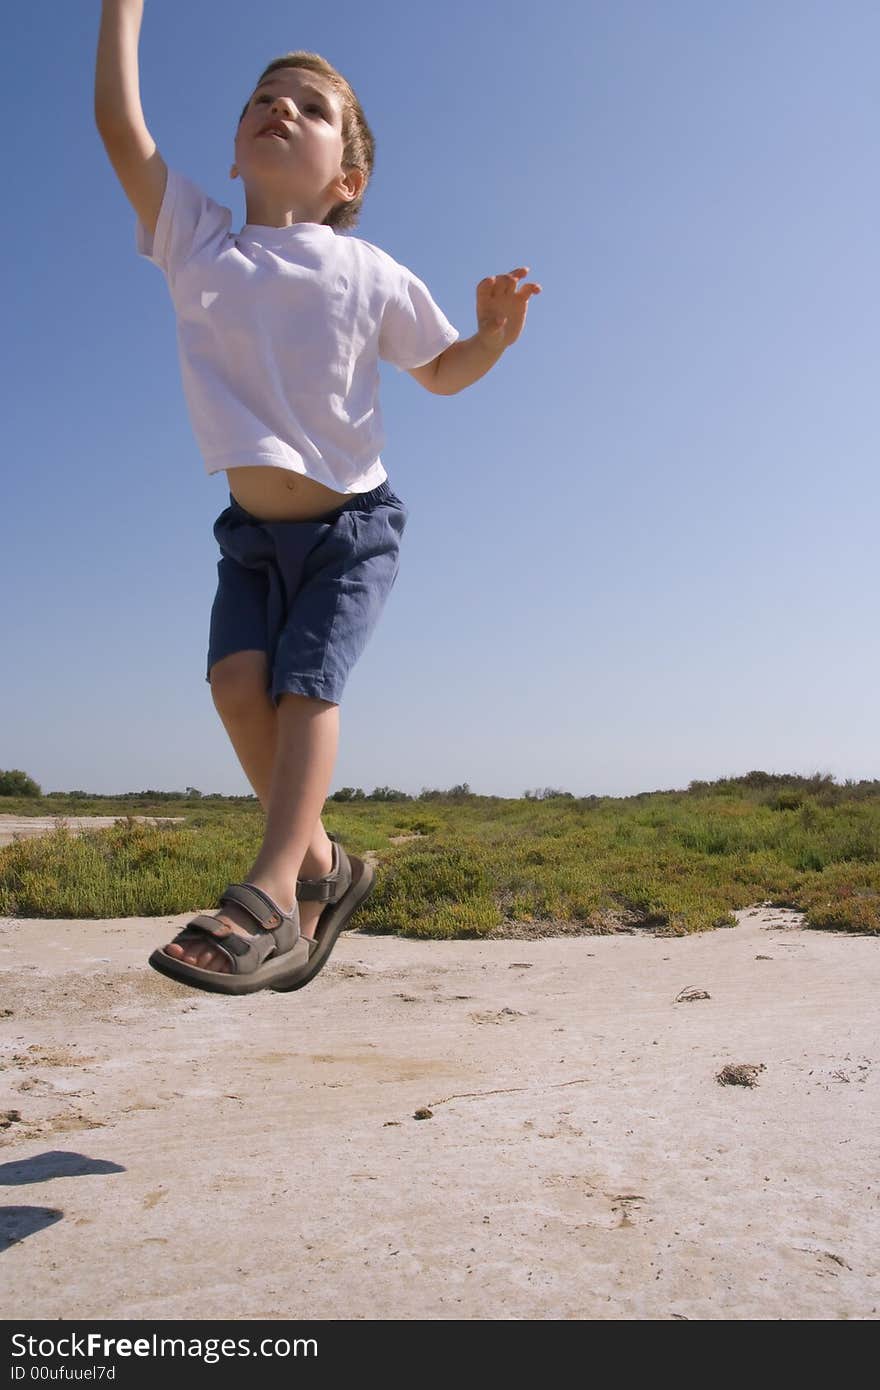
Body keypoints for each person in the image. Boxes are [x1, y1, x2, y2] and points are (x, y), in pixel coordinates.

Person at [94, 0, 542, 995]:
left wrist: (493, 337)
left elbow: (441, 371)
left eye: (309, 105)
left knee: (304, 688)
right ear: (236, 147)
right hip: (249, 534)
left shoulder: (367, 267)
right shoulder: (197, 238)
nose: (278, 109)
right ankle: (329, 870)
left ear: (349, 179)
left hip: (350, 525)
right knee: (234, 690)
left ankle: (265, 897)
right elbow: (122, 129)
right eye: (263, 99)